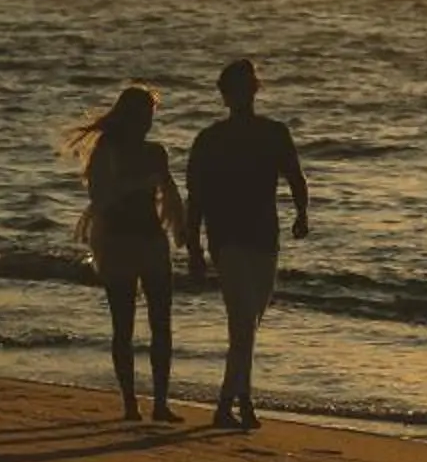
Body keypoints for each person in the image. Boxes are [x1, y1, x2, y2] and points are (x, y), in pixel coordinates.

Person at [185, 57, 310, 430]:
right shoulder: (210, 139)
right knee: (242, 324)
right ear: (225, 96)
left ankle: (243, 399)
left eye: (245, 87)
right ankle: (227, 404)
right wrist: (193, 247)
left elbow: (295, 175)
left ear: (254, 90)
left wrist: (302, 213)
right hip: (227, 240)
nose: (240, 95)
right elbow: (196, 196)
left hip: (264, 237)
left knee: (249, 322)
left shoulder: (274, 133)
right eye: (233, 90)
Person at [62, 84, 186, 422]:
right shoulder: (107, 149)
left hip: (152, 238)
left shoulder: (155, 152)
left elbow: (170, 194)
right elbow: (101, 198)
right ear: (128, 115)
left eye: (151, 114)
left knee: (162, 323)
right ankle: (130, 403)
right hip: (117, 241)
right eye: (142, 114)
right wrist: (134, 185)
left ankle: (161, 403)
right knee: (124, 325)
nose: (147, 121)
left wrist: (183, 231)